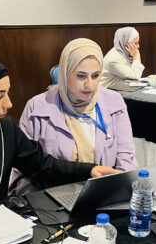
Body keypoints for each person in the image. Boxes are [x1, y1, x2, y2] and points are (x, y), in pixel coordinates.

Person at [0, 53, 119, 206]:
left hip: (0, 230)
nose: (9, 103)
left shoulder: (5, 129)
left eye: (8, 93)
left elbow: (42, 165)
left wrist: (89, 171)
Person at [13, 38, 138, 194]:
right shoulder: (37, 106)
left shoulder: (114, 102)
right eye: (81, 76)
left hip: (102, 195)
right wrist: (37, 205)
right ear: (65, 74)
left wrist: (117, 190)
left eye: (95, 75)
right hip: (50, 200)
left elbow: (126, 162)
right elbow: (23, 171)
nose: (89, 85)